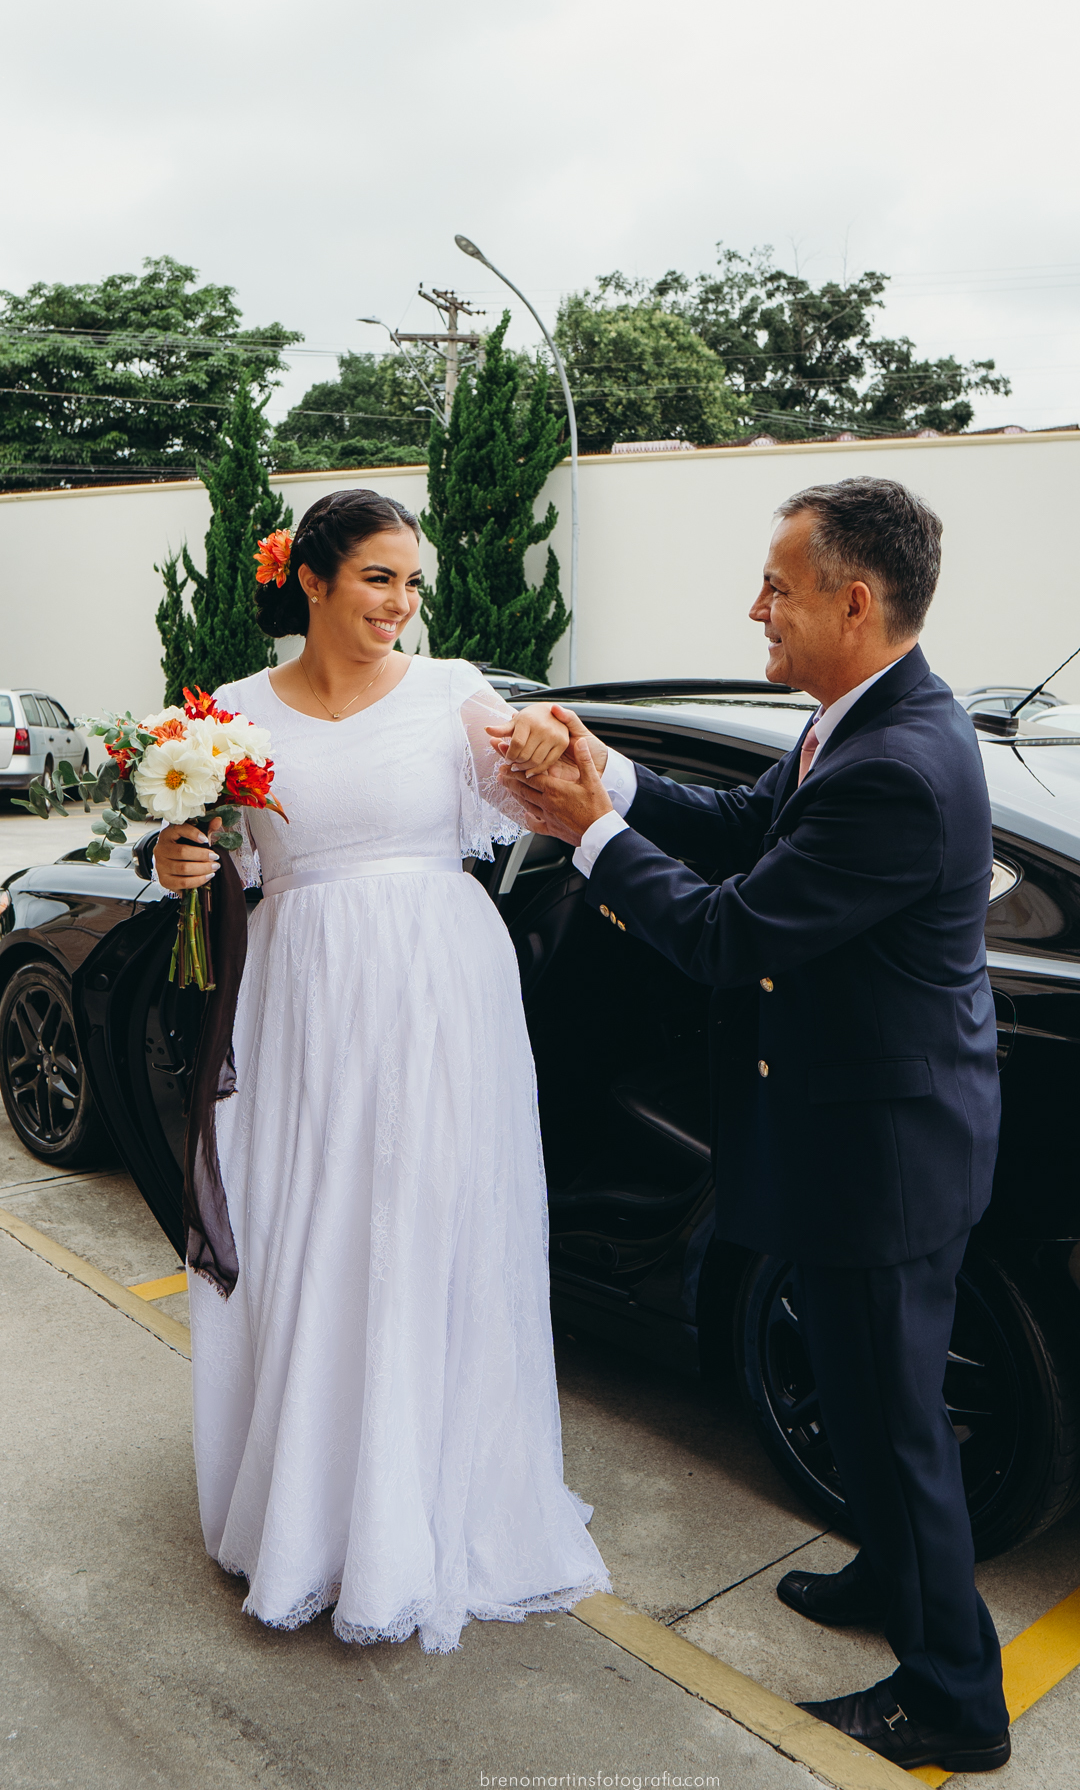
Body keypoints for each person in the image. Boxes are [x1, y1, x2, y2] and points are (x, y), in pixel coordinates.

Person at [501, 477, 1011, 1773]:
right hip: (861, 1134)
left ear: (854, 598)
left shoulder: (896, 761)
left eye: (777, 587)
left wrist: (586, 827)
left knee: (896, 1429)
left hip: (884, 1158)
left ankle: (956, 1699)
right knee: (859, 1397)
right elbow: (739, 826)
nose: (756, 609)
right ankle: (888, 1581)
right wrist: (606, 766)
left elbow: (732, 936)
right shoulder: (855, 720)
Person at [154, 487, 607, 1651]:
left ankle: (426, 1516)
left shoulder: (456, 690)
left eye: (413, 584)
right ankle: (313, 1513)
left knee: (425, 1232)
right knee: (314, 1231)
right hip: (301, 995)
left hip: (441, 991)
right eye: (377, 581)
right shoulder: (232, 718)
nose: (401, 606)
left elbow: (547, 792)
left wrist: (565, 748)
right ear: (310, 580)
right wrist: (176, 857)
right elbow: (213, 867)